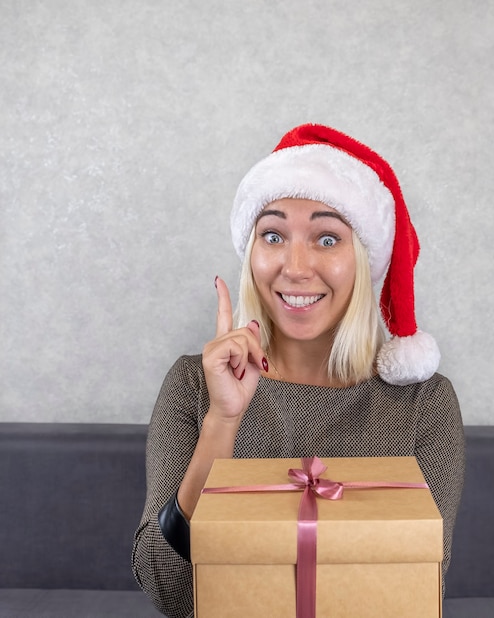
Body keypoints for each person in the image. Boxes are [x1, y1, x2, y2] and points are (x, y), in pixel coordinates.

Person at [132, 123, 465, 618]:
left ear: (363, 259)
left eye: (327, 238)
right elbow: (169, 590)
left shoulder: (422, 403)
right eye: (273, 235)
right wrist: (222, 422)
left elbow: (412, 587)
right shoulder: (192, 386)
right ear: (252, 253)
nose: (296, 266)